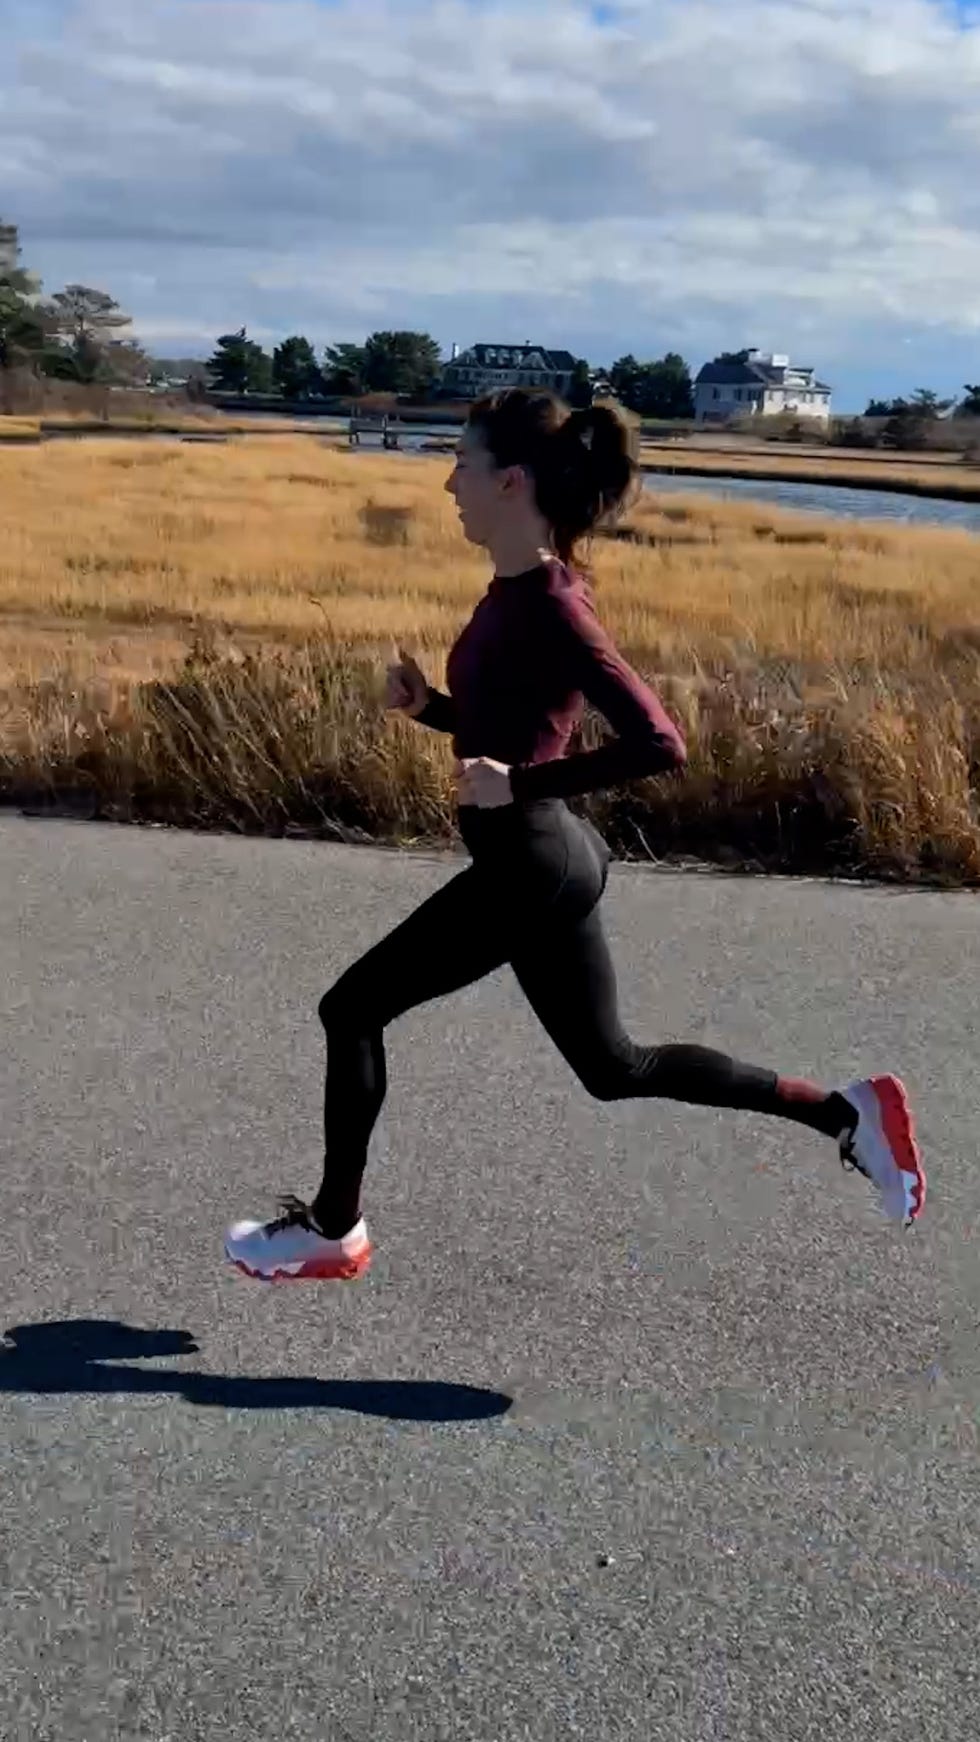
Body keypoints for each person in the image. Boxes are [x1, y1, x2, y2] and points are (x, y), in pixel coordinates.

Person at [225, 388, 926, 1283]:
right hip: (548, 860)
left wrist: (520, 784)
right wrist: (434, 711)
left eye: (464, 465)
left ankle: (333, 1227)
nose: (448, 484)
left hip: (532, 865)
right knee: (615, 1067)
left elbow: (660, 743)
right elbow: (516, 724)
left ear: (511, 481)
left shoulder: (554, 604)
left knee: (352, 1010)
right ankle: (845, 1112)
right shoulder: (515, 591)